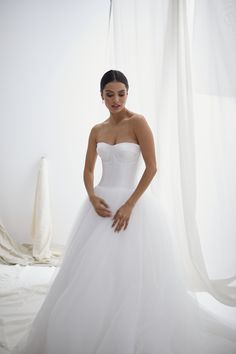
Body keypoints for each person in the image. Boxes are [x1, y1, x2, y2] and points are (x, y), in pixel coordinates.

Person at [12, 70, 236, 354]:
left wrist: (130, 204)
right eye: (109, 94)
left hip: (133, 206)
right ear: (101, 96)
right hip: (101, 206)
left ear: (127, 93)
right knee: (91, 271)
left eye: (121, 93)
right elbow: (89, 170)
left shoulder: (138, 122)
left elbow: (152, 167)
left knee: (132, 271)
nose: (116, 99)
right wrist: (92, 197)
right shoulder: (97, 130)